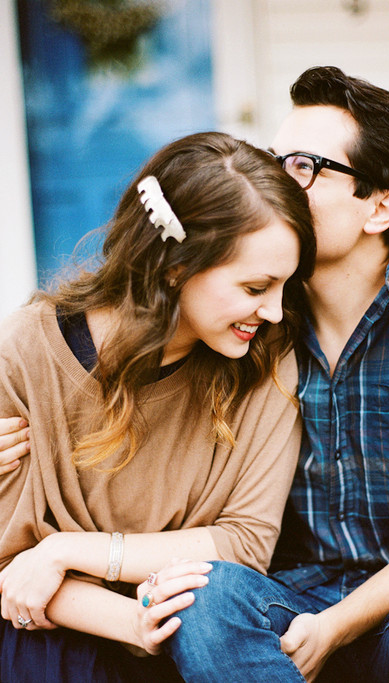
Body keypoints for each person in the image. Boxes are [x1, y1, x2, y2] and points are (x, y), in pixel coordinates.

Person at [3, 67, 389, 682]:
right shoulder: (256, 321)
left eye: (308, 166)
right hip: (284, 605)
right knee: (205, 598)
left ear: (381, 206)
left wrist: (336, 626)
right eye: (278, 157)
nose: (279, 180)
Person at [0, 131, 316, 681]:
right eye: (256, 287)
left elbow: (243, 543)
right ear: (174, 268)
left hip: (196, 632)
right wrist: (130, 622)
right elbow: (12, 564)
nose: (274, 312)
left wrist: (66, 550)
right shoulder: (28, 351)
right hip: (60, 633)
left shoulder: (267, 358)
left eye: (284, 287)